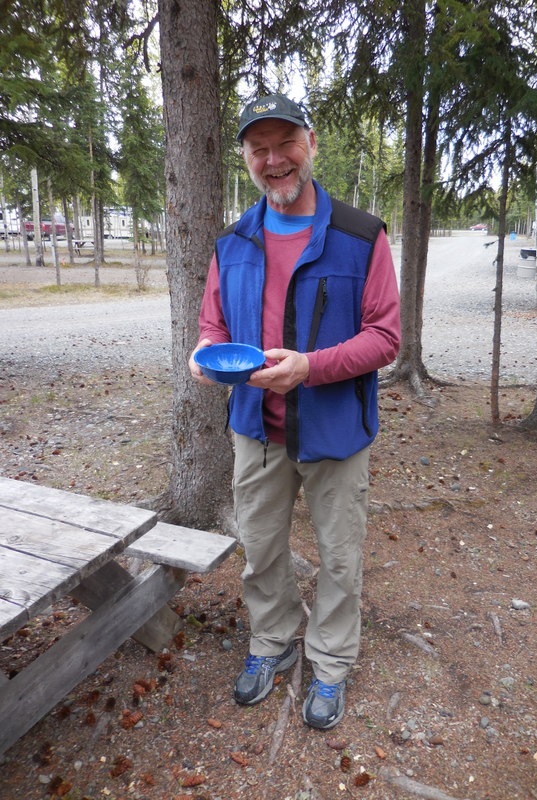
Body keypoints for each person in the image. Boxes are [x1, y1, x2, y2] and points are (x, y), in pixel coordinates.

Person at [189, 93, 401, 730]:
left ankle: (331, 663)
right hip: (256, 430)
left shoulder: (361, 236)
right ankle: (273, 641)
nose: (274, 160)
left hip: (336, 429)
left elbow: (385, 338)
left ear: (311, 145)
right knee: (261, 550)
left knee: (339, 556)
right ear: (246, 160)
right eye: (260, 149)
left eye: (286, 143)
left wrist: (310, 367)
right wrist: (203, 355)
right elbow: (212, 326)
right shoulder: (232, 242)